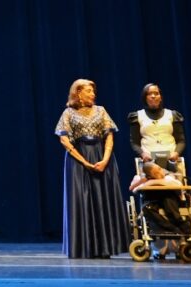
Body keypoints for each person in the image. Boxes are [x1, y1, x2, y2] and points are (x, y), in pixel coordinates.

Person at [55, 79, 129, 259]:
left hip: (101, 157)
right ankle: (84, 247)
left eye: (93, 91)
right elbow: (64, 140)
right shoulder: (68, 113)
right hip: (78, 160)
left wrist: (104, 159)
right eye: (89, 91)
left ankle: (106, 247)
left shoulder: (101, 111)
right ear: (78, 93)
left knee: (103, 199)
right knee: (82, 200)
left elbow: (109, 135)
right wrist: (85, 162)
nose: (93, 94)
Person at [128, 162, 189, 258]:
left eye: (160, 169)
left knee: (169, 202)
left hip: (168, 197)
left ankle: (181, 224)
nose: (160, 173)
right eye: (156, 173)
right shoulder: (141, 178)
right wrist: (143, 181)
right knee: (147, 208)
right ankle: (173, 228)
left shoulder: (168, 177)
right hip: (152, 199)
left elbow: (178, 185)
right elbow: (132, 188)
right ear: (150, 175)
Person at [127, 83, 185, 168]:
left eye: (156, 93)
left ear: (160, 97)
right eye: (149, 94)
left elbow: (181, 141)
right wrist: (142, 154)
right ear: (145, 98)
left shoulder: (172, 115)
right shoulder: (137, 116)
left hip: (171, 161)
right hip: (149, 162)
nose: (153, 96)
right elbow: (134, 142)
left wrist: (176, 153)